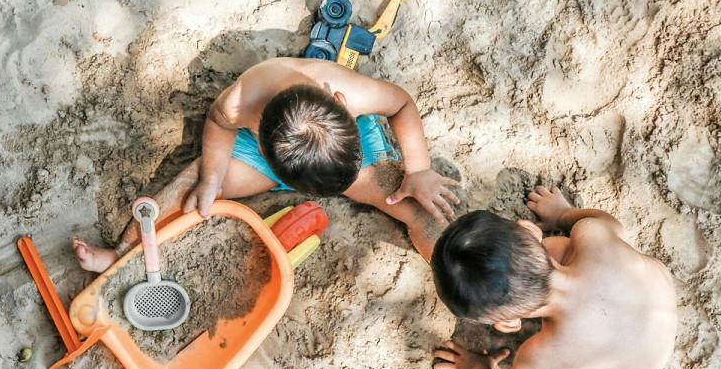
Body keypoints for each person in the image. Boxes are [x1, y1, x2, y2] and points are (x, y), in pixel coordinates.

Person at [72, 57, 459, 269]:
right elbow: (219, 124)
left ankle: (447, 264)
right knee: (190, 188)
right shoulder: (241, 101)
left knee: (421, 209)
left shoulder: (354, 94)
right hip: (277, 154)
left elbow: (402, 104)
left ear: (340, 102)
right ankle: (120, 253)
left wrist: (420, 169)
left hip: (344, 150)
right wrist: (212, 177)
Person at [431, 185, 676, 369]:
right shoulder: (590, 232)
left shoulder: (542, 352)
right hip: (658, 301)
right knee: (558, 247)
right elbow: (610, 222)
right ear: (528, 231)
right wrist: (563, 214)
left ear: (503, 322)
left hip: (641, 368)